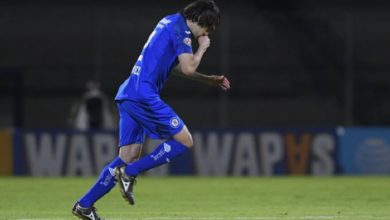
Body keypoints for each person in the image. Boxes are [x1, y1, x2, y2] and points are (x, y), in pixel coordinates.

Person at [72, 0, 230, 219]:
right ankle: (130, 173)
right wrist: (202, 48)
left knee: (127, 156)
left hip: (129, 92)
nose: (204, 34)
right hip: (143, 95)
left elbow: (172, 66)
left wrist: (208, 80)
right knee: (185, 141)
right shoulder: (182, 31)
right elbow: (188, 67)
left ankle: (84, 205)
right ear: (202, 21)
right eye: (207, 29)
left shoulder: (168, 21)